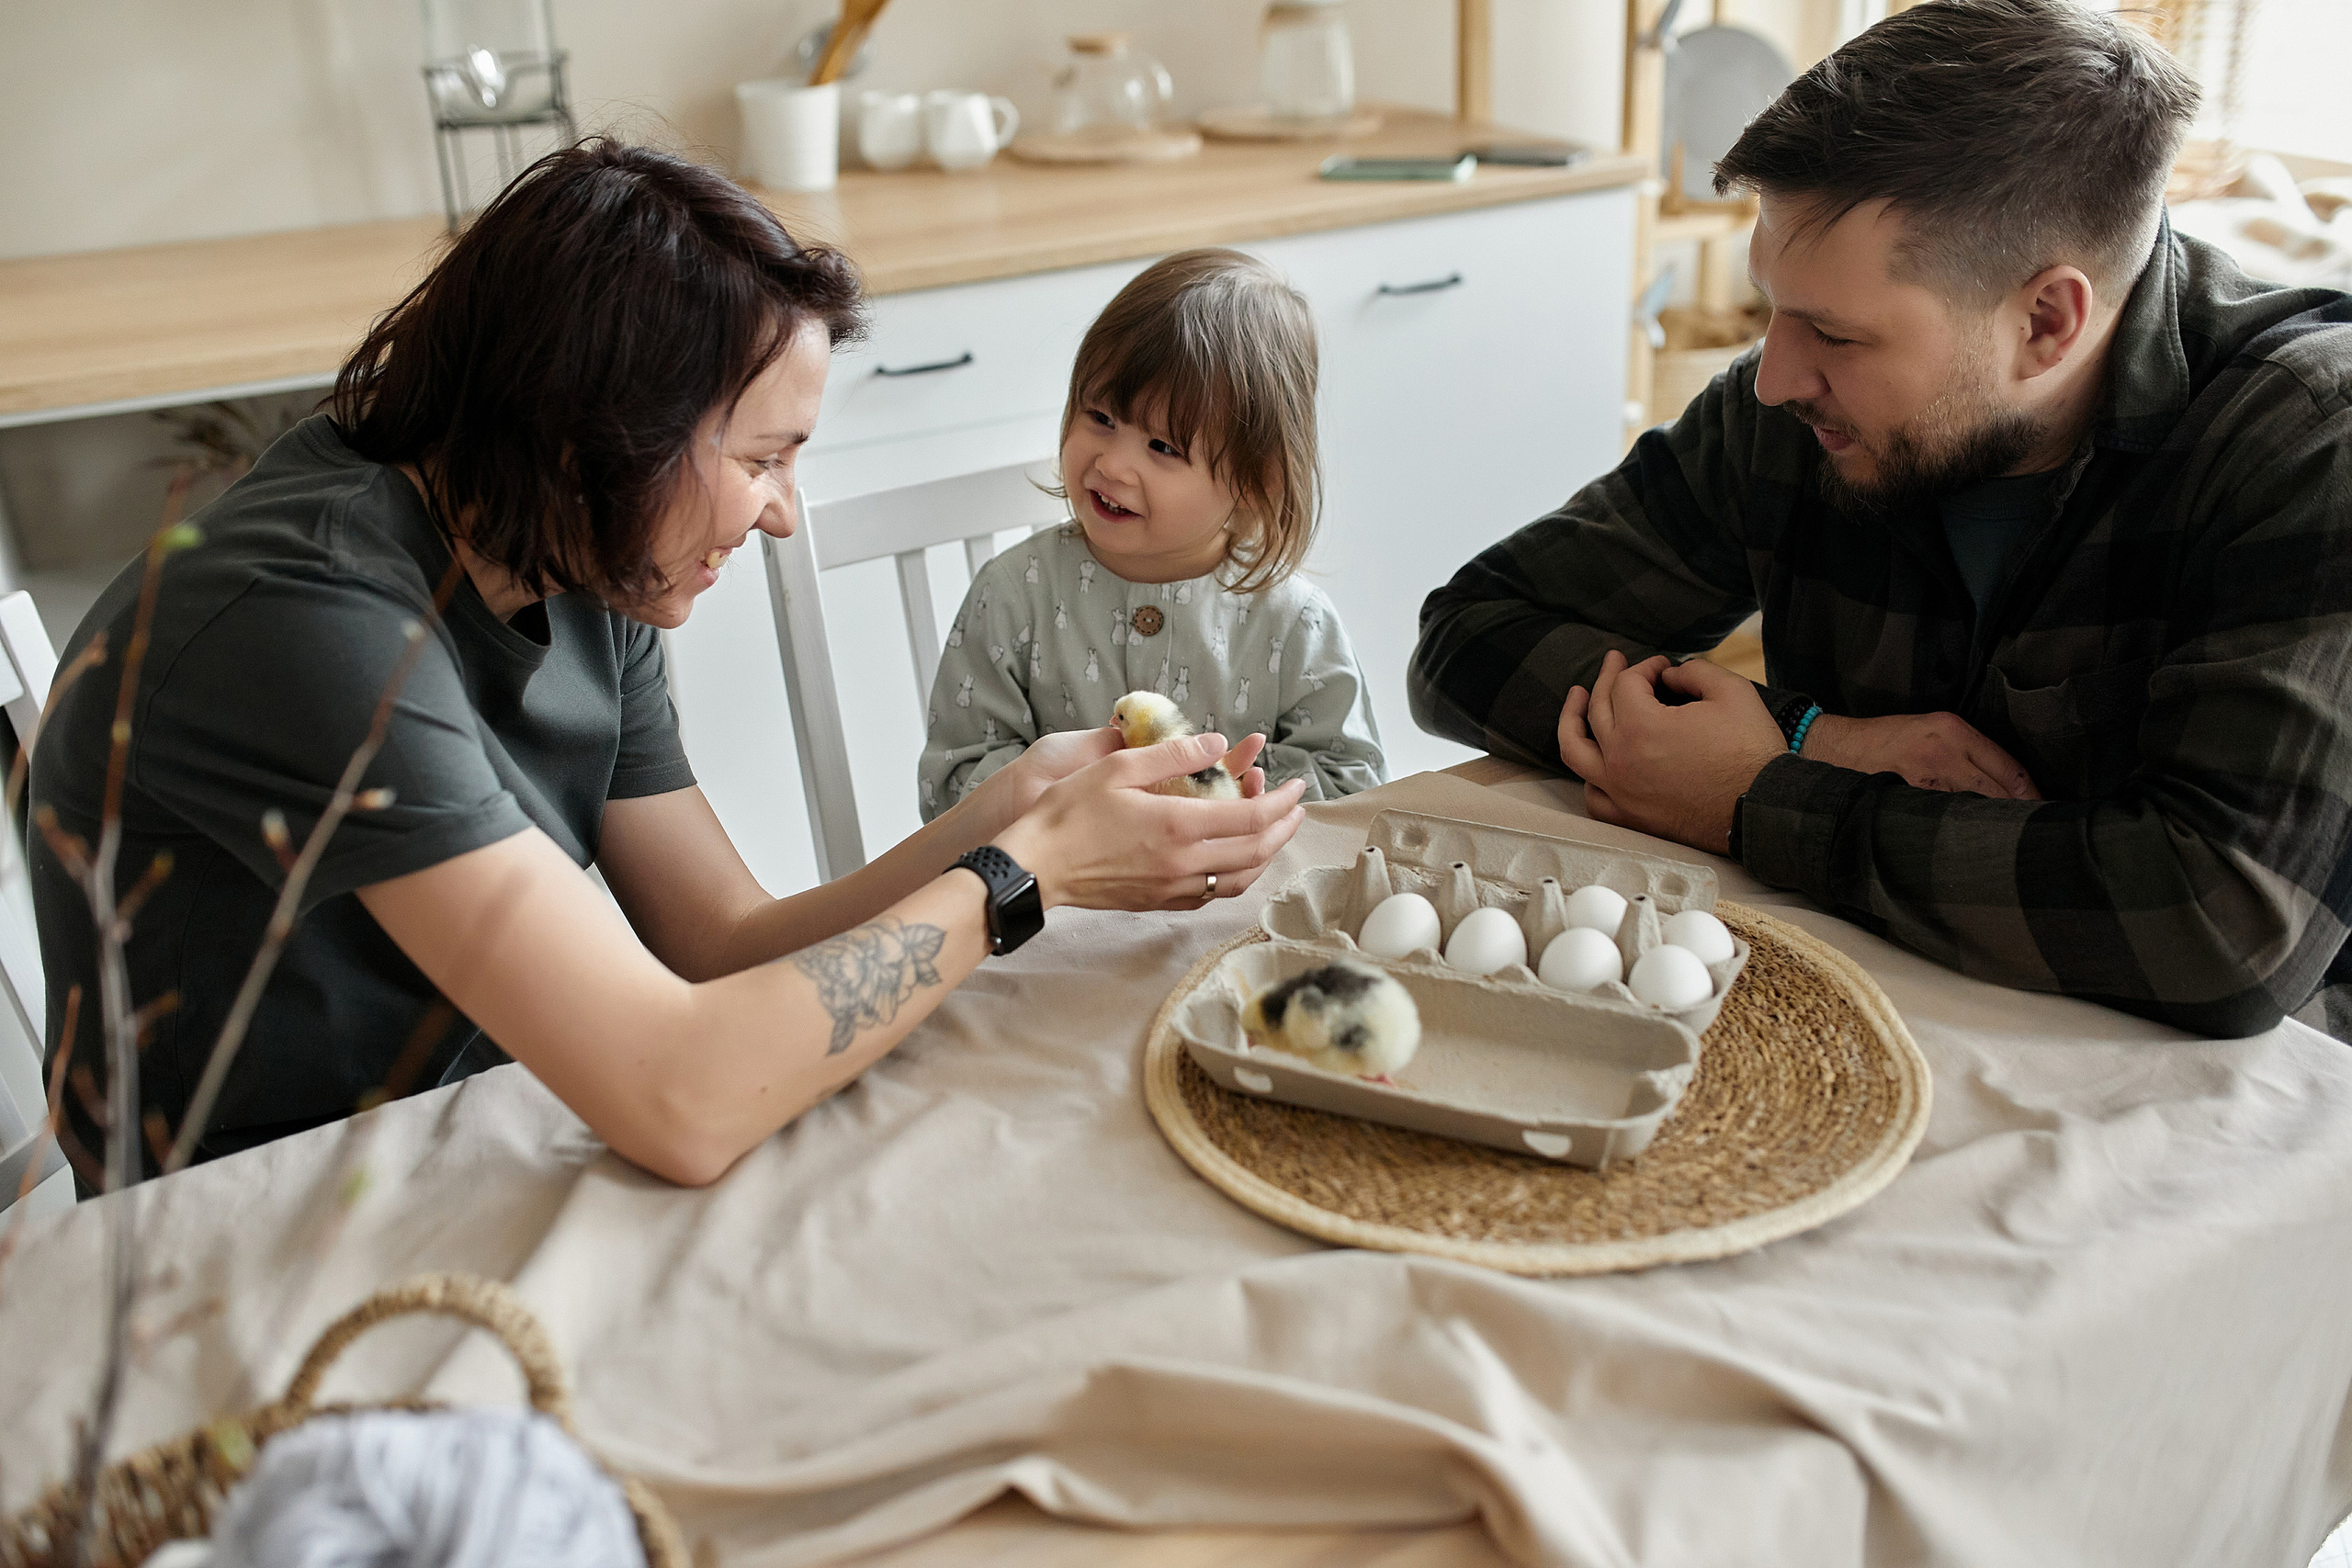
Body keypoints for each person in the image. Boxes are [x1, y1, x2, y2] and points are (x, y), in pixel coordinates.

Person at [30, 141, 1307, 1190]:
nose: (784, 512)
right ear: (600, 429)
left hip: (491, 1123)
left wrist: (1002, 813)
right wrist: (1025, 875)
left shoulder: (573, 545)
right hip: (261, 1216)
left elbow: (719, 946)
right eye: (762, 459)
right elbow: (682, 1094)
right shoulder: (306, 616)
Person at [1409, 0, 2352, 1040]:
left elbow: (2221, 927)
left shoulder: (2309, 445)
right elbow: (1468, 635)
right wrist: (1819, 737)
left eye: (1832, 332)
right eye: (1771, 303)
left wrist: (1753, 797)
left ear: (2046, 322)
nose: (1771, 376)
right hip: (1842, 1020)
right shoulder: (1790, 417)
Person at [918, 248, 1385, 818]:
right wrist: (1087, 794)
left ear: (1254, 480)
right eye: (1101, 419)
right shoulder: (1014, 593)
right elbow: (952, 786)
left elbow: (1354, 783)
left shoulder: (1294, 621)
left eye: (1163, 447)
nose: (1112, 464)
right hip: (1063, 900)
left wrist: (1215, 790)